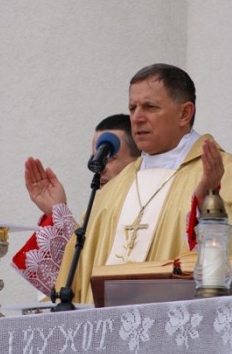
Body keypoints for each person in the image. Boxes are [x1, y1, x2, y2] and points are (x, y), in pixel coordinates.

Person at [21, 63, 232, 304]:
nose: (137, 117)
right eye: (132, 107)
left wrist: (209, 205)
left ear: (184, 113)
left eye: (150, 107)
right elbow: (77, 272)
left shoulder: (228, 172)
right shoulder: (113, 190)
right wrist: (58, 213)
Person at [12, 114, 141, 295]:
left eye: (109, 157)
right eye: (95, 158)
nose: (99, 167)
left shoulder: (144, 208)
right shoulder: (94, 210)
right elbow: (75, 277)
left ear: (138, 160)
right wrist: (58, 212)